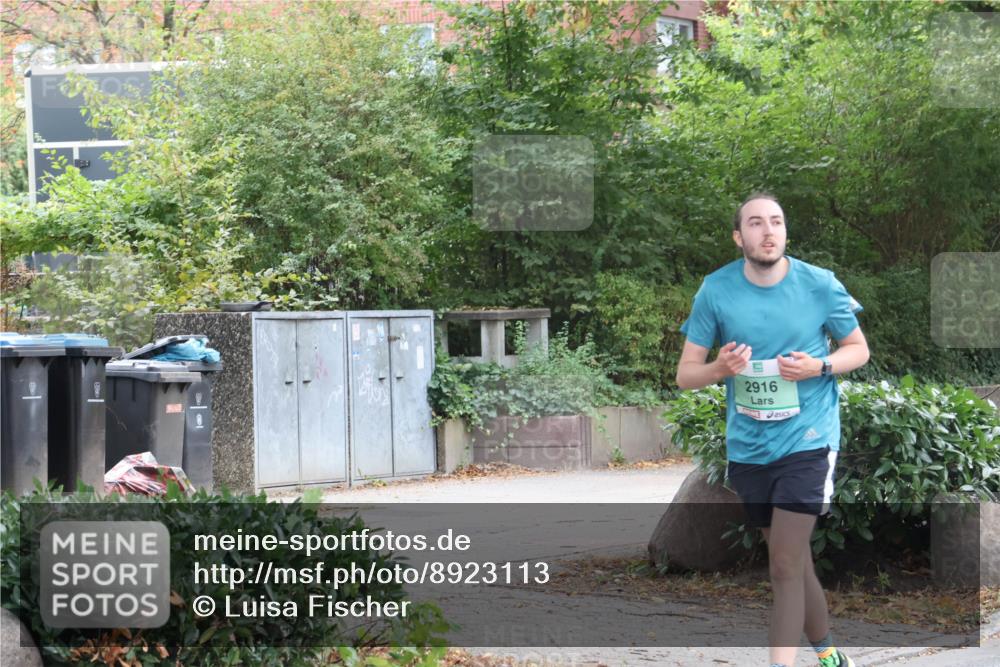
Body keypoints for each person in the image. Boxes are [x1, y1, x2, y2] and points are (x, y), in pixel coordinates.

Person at [675, 192, 870, 667]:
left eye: (776, 222)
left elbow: (858, 349)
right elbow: (685, 374)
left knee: (782, 564)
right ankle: (830, 655)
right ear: (738, 236)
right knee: (794, 562)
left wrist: (819, 366)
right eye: (756, 223)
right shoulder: (715, 290)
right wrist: (720, 368)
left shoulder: (819, 284)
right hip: (749, 446)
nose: (768, 231)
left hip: (809, 440)